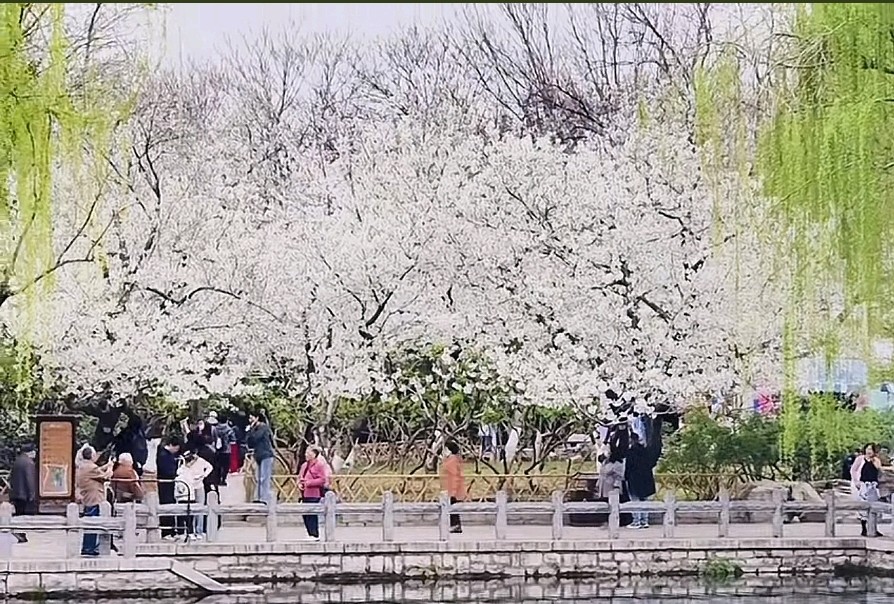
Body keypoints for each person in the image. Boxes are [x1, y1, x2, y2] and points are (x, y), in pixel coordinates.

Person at [75, 446, 113, 556]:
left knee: (90, 522)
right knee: (93, 523)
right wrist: (110, 468)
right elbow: (106, 476)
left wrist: (106, 465)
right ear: (91, 455)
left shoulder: (84, 466)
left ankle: (88, 547)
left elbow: (98, 471)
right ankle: (89, 548)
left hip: (88, 497)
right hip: (94, 498)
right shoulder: (91, 467)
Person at [625, 434, 659, 529]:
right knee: (645, 500)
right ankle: (644, 521)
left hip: (634, 479)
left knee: (635, 500)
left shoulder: (630, 452)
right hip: (646, 478)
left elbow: (628, 467)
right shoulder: (646, 451)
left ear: (631, 440)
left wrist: (626, 477)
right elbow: (652, 463)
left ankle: (636, 521)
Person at [298, 446, 329, 541]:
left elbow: (322, 479)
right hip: (304, 493)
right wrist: (299, 483)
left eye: (309, 453)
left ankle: (314, 534)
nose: (306, 455)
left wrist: (309, 483)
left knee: (312, 513)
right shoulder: (304, 465)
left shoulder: (319, 465)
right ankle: (309, 533)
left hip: (314, 493)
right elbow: (299, 476)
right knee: (305, 513)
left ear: (314, 454)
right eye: (306, 453)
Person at [9, 444, 38, 543]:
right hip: (24, 493)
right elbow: (29, 478)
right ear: (30, 452)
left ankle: (20, 533)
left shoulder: (17, 461)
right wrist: (32, 493)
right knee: (23, 516)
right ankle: (20, 533)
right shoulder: (29, 463)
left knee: (18, 513)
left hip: (16, 492)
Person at [854, 442, 884, 537]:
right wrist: (856, 481)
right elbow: (853, 470)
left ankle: (874, 528)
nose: (869, 451)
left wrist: (874, 460)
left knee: (874, 507)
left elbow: (879, 469)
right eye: (867, 449)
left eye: (871, 449)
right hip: (863, 484)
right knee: (863, 506)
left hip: (873, 485)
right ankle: (864, 528)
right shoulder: (860, 459)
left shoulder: (876, 460)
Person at [156, 436, 182, 540]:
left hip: (169, 484)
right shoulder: (163, 455)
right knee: (166, 506)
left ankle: (171, 530)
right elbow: (166, 470)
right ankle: (166, 531)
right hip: (165, 484)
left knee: (171, 505)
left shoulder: (166, 454)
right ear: (171, 445)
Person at [246, 411, 274, 505]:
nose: (250, 420)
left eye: (252, 418)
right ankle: (257, 497)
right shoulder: (253, 429)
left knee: (264, 478)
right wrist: (249, 431)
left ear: (257, 418)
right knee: (258, 478)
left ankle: (264, 498)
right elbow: (249, 441)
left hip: (266, 455)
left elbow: (256, 437)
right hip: (258, 455)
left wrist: (251, 429)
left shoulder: (263, 427)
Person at [440, 441, 466, 534]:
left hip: (452, 488)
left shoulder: (452, 460)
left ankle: (455, 525)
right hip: (450, 487)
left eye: (445, 449)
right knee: (452, 507)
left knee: (453, 507)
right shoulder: (453, 459)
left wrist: (454, 490)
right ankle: (455, 525)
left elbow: (455, 476)